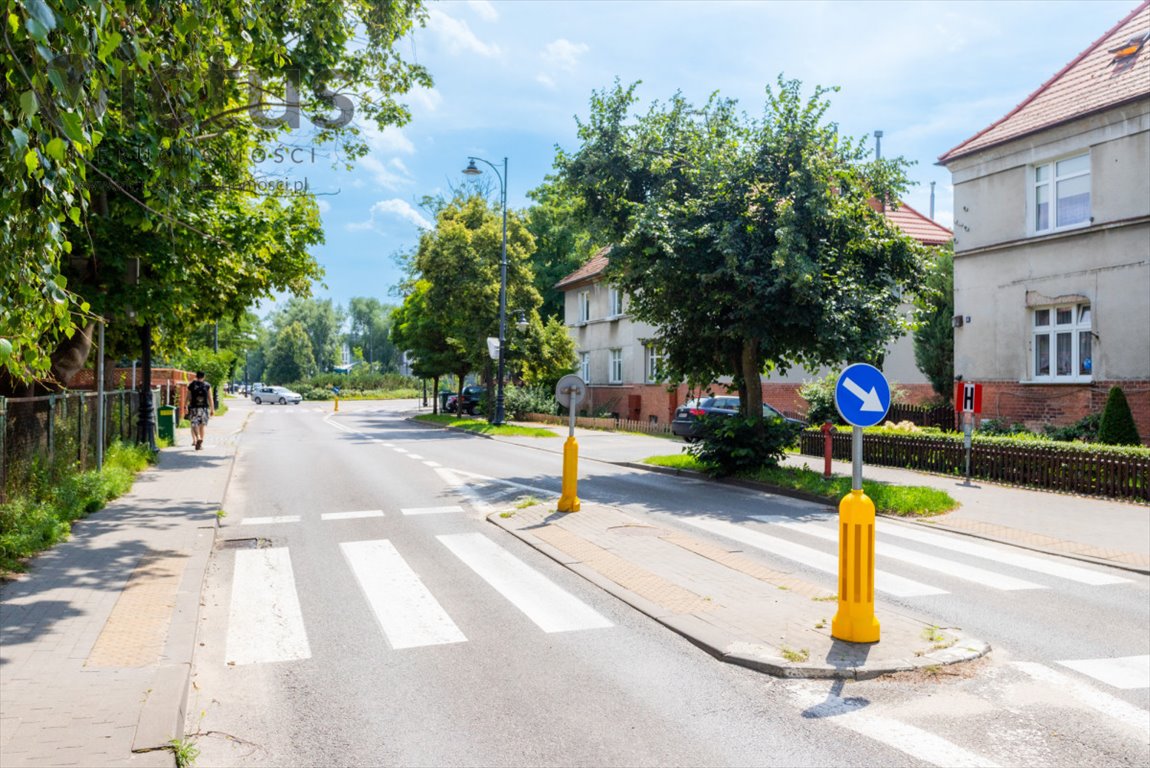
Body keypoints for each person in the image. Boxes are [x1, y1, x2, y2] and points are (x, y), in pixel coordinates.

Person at [185, 371, 215, 450]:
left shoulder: (192, 385)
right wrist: (212, 409)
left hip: (194, 408)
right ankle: (200, 444)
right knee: (202, 426)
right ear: (204, 377)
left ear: (196, 376)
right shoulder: (207, 385)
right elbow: (210, 398)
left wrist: (185, 406)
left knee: (195, 424)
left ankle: (198, 437)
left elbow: (188, 396)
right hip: (204, 408)